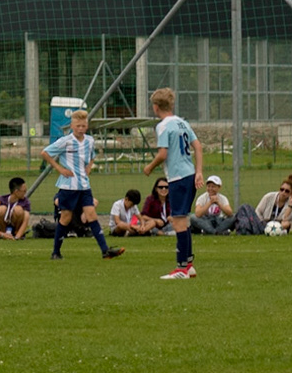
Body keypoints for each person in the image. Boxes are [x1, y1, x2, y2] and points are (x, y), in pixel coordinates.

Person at [42, 108, 126, 261]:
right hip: (68, 187)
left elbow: (92, 155)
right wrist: (59, 168)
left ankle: (105, 251)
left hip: (84, 186)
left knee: (92, 215)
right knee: (65, 219)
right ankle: (56, 252)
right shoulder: (65, 141)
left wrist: (89, 166)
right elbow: (45, 153)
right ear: (72, 126)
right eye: (78, 126)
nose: (81, 129)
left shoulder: (89, 140)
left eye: (83, 126)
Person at [142, 87, 201, 278]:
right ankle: (189, 265)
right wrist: (198, 171)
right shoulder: (183, 123)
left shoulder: (163, 126)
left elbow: (163, 154)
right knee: (183, 219)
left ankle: (181, 267)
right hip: (190, 175)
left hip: (177, 178)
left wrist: (150, 167)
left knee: (178, 222)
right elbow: (197, 146)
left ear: (156, 107)